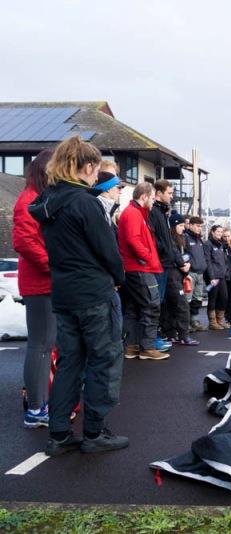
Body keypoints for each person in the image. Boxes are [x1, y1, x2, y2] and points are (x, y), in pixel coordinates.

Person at [28, 136, 128, 455]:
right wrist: (118, 277)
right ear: (87, 167)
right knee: (103, 361)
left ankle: (58, 433)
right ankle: (95, 432)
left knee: (70, 362)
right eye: (94, 168)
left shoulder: (48, 201)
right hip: (94, 292)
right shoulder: (85, 202)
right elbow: (108, 250)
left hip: (64, 292)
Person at [13, 149, 55, 429]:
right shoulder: (29, 200)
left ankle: (39, 403)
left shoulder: (37, 197)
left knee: (45, 345)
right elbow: (25, 242)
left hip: (45, 281)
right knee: (41, 345)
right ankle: (37, 407)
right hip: (40, 283)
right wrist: (55, 266)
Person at [118, 182, 168, 360]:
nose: (154, 202)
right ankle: (147, 347)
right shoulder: (133, 214)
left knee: (134, 307)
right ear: (144, 196)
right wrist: (147, 256)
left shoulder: (135, 213)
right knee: (151, 306)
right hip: (140, 268)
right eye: (153, 198)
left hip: (135, 268)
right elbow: (133, 240)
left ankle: (131, 346)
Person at [162, 213, 198, 345]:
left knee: (171, 306)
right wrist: (183, 265)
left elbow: (187, 254)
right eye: (181, 225)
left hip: (178, 274)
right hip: (172, 275)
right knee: (182, 306)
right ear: (174, 225)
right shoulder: (170, 238)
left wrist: (187, 264)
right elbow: (174, 254)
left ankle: (171, 334)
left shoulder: (181, 238)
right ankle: (183, 336)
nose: (184, 228)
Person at [149, 180, 175, 352]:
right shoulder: (154, 212)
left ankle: (157, 335)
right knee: (155, 301)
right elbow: (153, 237)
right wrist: (164, 249)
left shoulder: (163, 212)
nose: (171, 196)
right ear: (159, 193)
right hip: (158, 262)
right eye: (169, 193)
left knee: (161, 300)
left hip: (165, 262)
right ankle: (152, 339)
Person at [185, 217, 208, 332]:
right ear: (191, 225)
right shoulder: (186, 238)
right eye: (198, 226)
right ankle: (186, 323)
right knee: (187, 299)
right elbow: (183, 255)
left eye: (201, 226)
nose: (200, 228)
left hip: (200, 273)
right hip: (191, 273)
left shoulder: (199, 240)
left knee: (197, 299)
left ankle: (194, 320)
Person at [203, 225, 228, 330]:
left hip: (221, 276)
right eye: (218, 231)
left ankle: (220, 320)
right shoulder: (208, 244)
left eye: (221, 232)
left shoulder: (220, 244)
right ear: (212, 232)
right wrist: (211, 277)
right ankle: (213, 322)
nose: (220, 233)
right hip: (213, 277)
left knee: (224, 298)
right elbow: (208, 261)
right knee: (213, 299)